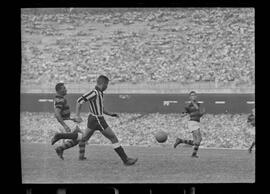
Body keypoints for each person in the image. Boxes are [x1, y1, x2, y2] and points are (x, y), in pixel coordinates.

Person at [51, 75, 138, 166]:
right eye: (106, 85)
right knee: (113, 138)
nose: (107, 87)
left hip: (94, 119)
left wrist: (110, 114)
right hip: (97, 119)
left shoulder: (100, 93)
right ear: (103, 84)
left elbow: (101, 107)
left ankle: (60, 141)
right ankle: (125, 160)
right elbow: (79, 100)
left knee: (83, 138)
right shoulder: (94, 93)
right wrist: (77, 115)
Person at [53, 83, 85, 160]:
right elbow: (57, 114)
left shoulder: (60, 99)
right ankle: (60, 138)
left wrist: (73, 119)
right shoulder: (60, 100)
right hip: (65, 122)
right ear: (59, 90)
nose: (66, 89)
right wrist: (65, 125)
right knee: (82, 136)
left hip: (67, 121)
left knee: (79, 138)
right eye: (64, 88)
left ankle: (60, 148)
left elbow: (62, 114)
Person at [173, 91, 205, 158]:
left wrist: (202, 113)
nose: (193, 96)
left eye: (194, 95)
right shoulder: (188, 105)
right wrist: (184, 113)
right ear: (189, 97)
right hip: (192, 123)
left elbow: (199, 113)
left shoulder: (198, 104)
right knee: (199, 139)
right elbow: (183, 114)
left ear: (196, 96)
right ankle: (194, 154)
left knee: (197, 141)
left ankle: (181, 141)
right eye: (192, 95)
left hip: (197, 122)